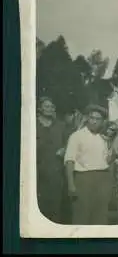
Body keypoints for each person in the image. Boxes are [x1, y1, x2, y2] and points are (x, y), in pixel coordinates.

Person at [64, 104, 114, 225]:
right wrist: (71, 185)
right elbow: (69, 161)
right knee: (82, 216)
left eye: (98, 119)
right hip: (83, 180)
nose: (94, 121)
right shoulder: (76, 136)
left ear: (102, 121)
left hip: (102, 180)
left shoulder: (104, 138)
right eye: (92, 118)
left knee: (100, 217)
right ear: (87, 118)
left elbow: (108, 161)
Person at [36, 96, 66, 224]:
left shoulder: (60, 125)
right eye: (46, 106)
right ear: (40, 108)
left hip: (56, 170)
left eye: (51, 106)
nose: (49, 109)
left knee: (55, 205)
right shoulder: (33, 125)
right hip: (38, 171)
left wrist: (64, 149)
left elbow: (69, 142)